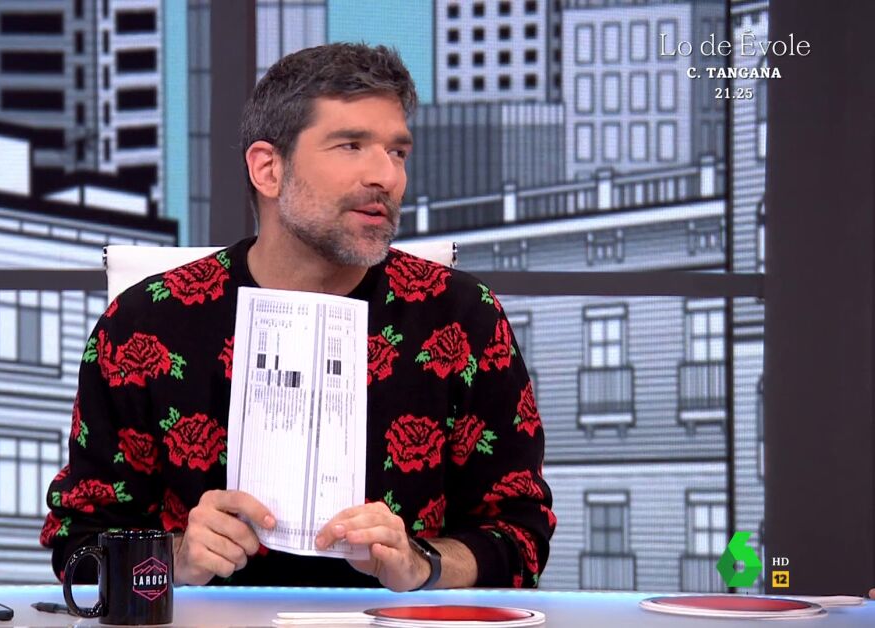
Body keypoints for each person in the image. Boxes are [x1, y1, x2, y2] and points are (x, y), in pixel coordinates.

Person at [41, 43, 554, 591]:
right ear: (268, 169)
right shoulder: (143, 326)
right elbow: (78, 546)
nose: (386, 175)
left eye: (397, 152)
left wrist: (421, 563)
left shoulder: (463, 318)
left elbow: (522, 536)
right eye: (351, 145)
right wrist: (174, 557)